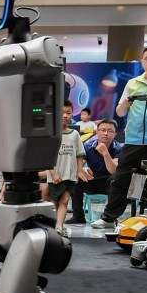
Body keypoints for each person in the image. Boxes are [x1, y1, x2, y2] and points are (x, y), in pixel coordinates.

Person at [92, 46, 147, 229]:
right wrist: (126, 103)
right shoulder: (132, 83)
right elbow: (119, 111)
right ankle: (109, 218)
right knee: (120, 179)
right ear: (142, 61)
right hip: (132, 140)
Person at [48, 101, 92, 236]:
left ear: (73, 114)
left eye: (68, 113)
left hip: (70, 175)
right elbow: (47, 157)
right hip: (55, 176)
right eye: (61, 112)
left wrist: (79, 171)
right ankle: (58, 225)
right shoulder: (50, 134)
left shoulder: (74, 134)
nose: (65, 116)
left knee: (65, 200)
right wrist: (53, 173)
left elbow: (80, 154)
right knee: (57, 201)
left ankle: (59, 226)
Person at [68, 118, 124, 224]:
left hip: (111, 184)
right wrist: (82, 170)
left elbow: (113, 170)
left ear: (115, 134)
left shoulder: (120, 148)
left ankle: (108, 218)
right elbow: (76, 166)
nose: (105, 133)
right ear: (97, 132)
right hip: (93, 180)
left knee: (115, 179)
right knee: (76, 178)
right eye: (102, 130)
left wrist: (105, 153)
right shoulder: (88, 146)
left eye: (110, 131)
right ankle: (78, 216)